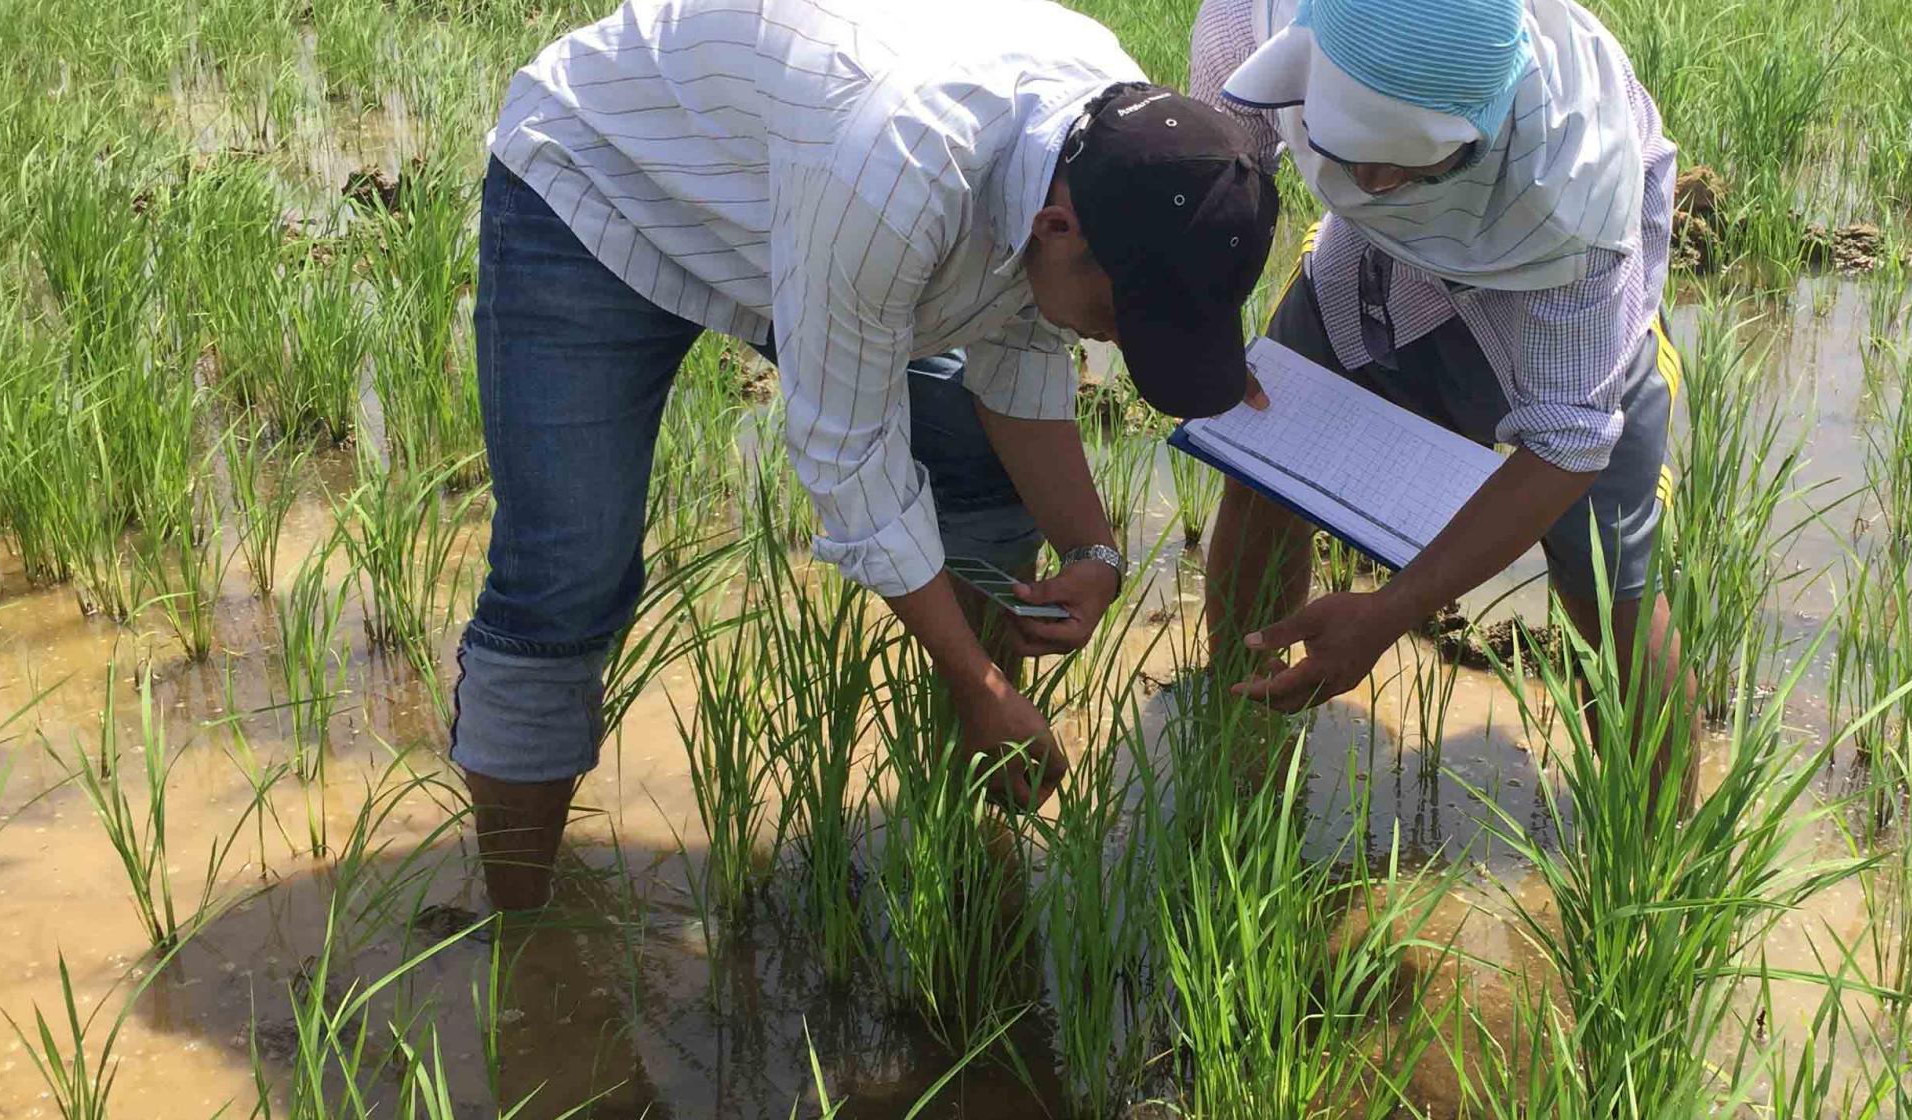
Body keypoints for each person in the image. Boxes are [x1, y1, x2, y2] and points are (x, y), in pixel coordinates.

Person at [458, 0, 1279, 911]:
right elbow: (845, 453)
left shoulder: (1119, 151)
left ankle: (959, 815)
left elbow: (1020, 355)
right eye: (1123, 320)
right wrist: (976, 681)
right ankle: (523, 938)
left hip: (796, 197)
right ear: (1057, 232)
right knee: (567, 572)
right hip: (603, 184)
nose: (1119, 346)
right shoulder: (899, 163)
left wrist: (1095, 553)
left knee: (975, 461)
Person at [1188, 0, 1694, 741]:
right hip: (1366, 269)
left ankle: (1658, 855)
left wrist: (1387, 615)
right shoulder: (1256, 17)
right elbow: (1216, 175)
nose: (1370, 179)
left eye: (1406, 160)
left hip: (1549, 291)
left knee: (1605, 581)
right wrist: (1206, 336)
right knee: (1265, 464)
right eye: (1349, 141)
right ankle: (1238, 737)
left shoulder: (1580, 186)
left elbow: (1568, 445)